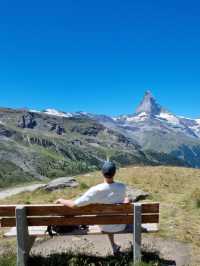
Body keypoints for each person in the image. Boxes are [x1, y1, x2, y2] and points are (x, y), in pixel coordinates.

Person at [55, 161, 129, 255]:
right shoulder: (122, 187)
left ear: (102, 173)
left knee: (106, 219)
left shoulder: (95, 190)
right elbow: (119, 198)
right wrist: (127, 199)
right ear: (114, 173)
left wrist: (61, 200)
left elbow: (74, 205)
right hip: (121, 225)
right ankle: (114, 246)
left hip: (104, 225)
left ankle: (113, 245)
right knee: (111, 217)